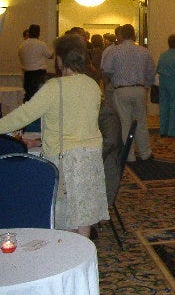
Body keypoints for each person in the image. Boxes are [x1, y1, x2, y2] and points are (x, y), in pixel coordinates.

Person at [0, 34, 109, 237]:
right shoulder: (92, 85)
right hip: (91, 155)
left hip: (66, 157)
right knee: (83, 211)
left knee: (65, 212)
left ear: (60, 59)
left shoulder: (54, 87)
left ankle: (67, 252)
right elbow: (79, 122)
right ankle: (81, 250)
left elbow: (24, 115)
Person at [102, 24, 156, 162]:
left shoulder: (115, 51)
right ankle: (145, 152)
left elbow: (107, 69)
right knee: (141, 122)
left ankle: (129, 155)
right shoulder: (144, 51)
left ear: (121, 35)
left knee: (124, 123)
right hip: (140, 89)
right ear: (134, 35)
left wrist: (115, 77)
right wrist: (147, 86)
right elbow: (151, 71)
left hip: (121, 89)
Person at [18, 24, 53, 101]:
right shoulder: (41, 44)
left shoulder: (22, 45)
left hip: (27, 74)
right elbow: (50, 56)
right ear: (38, 33)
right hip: (39, 74)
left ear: (29, 32)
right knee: (40, 96)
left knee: (28, 95)